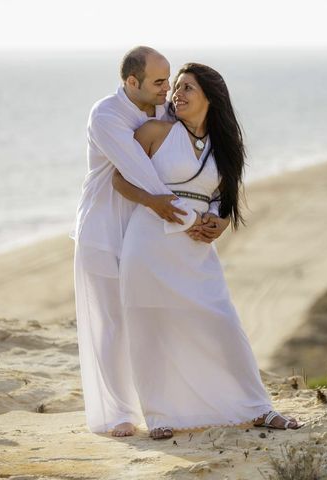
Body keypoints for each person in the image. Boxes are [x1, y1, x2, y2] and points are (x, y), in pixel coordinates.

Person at [112, 62, 301, 439]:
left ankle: (258, 408)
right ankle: (160, 413)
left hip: (196, 248)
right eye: (176, 87)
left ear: (210, 98)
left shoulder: (224, 145)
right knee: (151, 327)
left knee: (222, 323)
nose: (176, 94)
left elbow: (221, 197)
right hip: (149, 242)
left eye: (187, 89)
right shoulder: (154, 132)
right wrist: (154, 202)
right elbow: (119, 178)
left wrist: (221, 220)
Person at [71, 46, 226, 437]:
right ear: (131, 82)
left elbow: (194, 159)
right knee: (111, 319)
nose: (168, 91)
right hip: (104, 227)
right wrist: (187, 218)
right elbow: (140, 173)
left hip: (146, 228)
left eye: (170, 81)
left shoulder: (162, 110)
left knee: (153, 316)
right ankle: (118, 413)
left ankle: (167, 403)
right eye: (160, 82)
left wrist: (218, 212)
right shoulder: (106, 115)